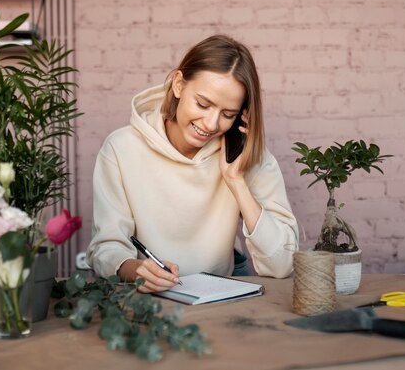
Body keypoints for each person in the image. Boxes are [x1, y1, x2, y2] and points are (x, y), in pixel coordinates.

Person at [86, 34, 299, 293]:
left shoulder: (244, 155)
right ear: (178, 84)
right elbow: (106, 248)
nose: (211, 124)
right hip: (147, 293)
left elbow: (282, 265)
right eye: (203, 104)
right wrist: (136, 270)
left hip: (223, 287)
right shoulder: (120, 149)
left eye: (228, 114)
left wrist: (236, 181)